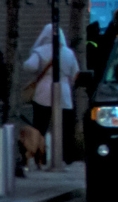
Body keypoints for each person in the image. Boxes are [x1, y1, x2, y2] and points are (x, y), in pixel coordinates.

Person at [23, 23, 79, 165]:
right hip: (64, 92)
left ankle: (39, 156)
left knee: (40, 126)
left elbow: (30, 66)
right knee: (66, 127)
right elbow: (75, 73)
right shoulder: (69, 53)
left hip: (43, 92)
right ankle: (67, 156)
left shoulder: (40, 51)